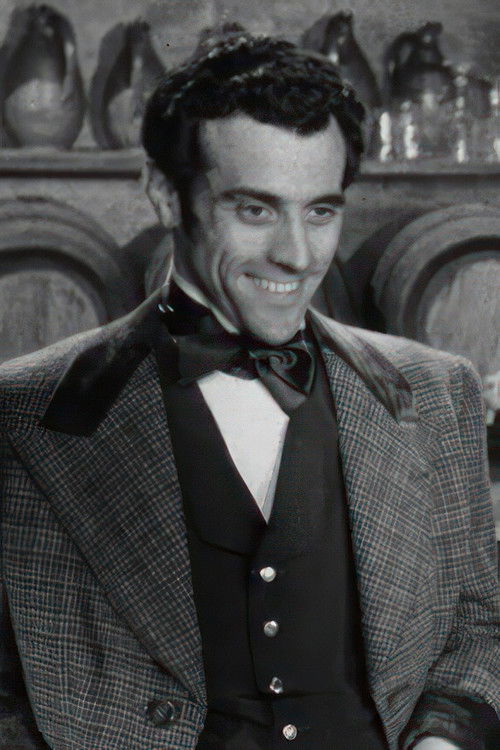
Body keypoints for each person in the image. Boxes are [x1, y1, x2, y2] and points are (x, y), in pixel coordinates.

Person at [0, 26, 499, 750]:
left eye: (321, 210)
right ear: (165, 195)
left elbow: (477, 630)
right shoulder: (22, 412)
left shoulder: (437, 390)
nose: (297, 256)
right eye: (255, 210)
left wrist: (442, 743)